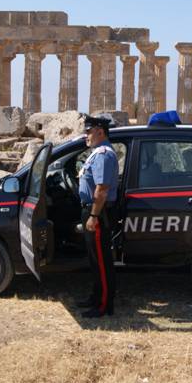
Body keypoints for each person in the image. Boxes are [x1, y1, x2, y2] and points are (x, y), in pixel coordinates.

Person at [76, 115, 118, 317]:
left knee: (101, 261)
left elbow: (101, 189)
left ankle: (103, 306)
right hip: (92, 210)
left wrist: (93, 216)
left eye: (88, 131)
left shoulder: (103, 154)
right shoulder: (96, 153)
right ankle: (95, 296)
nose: (86, 135)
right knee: (94, 259)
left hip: (97, 212)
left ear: (100, 131)